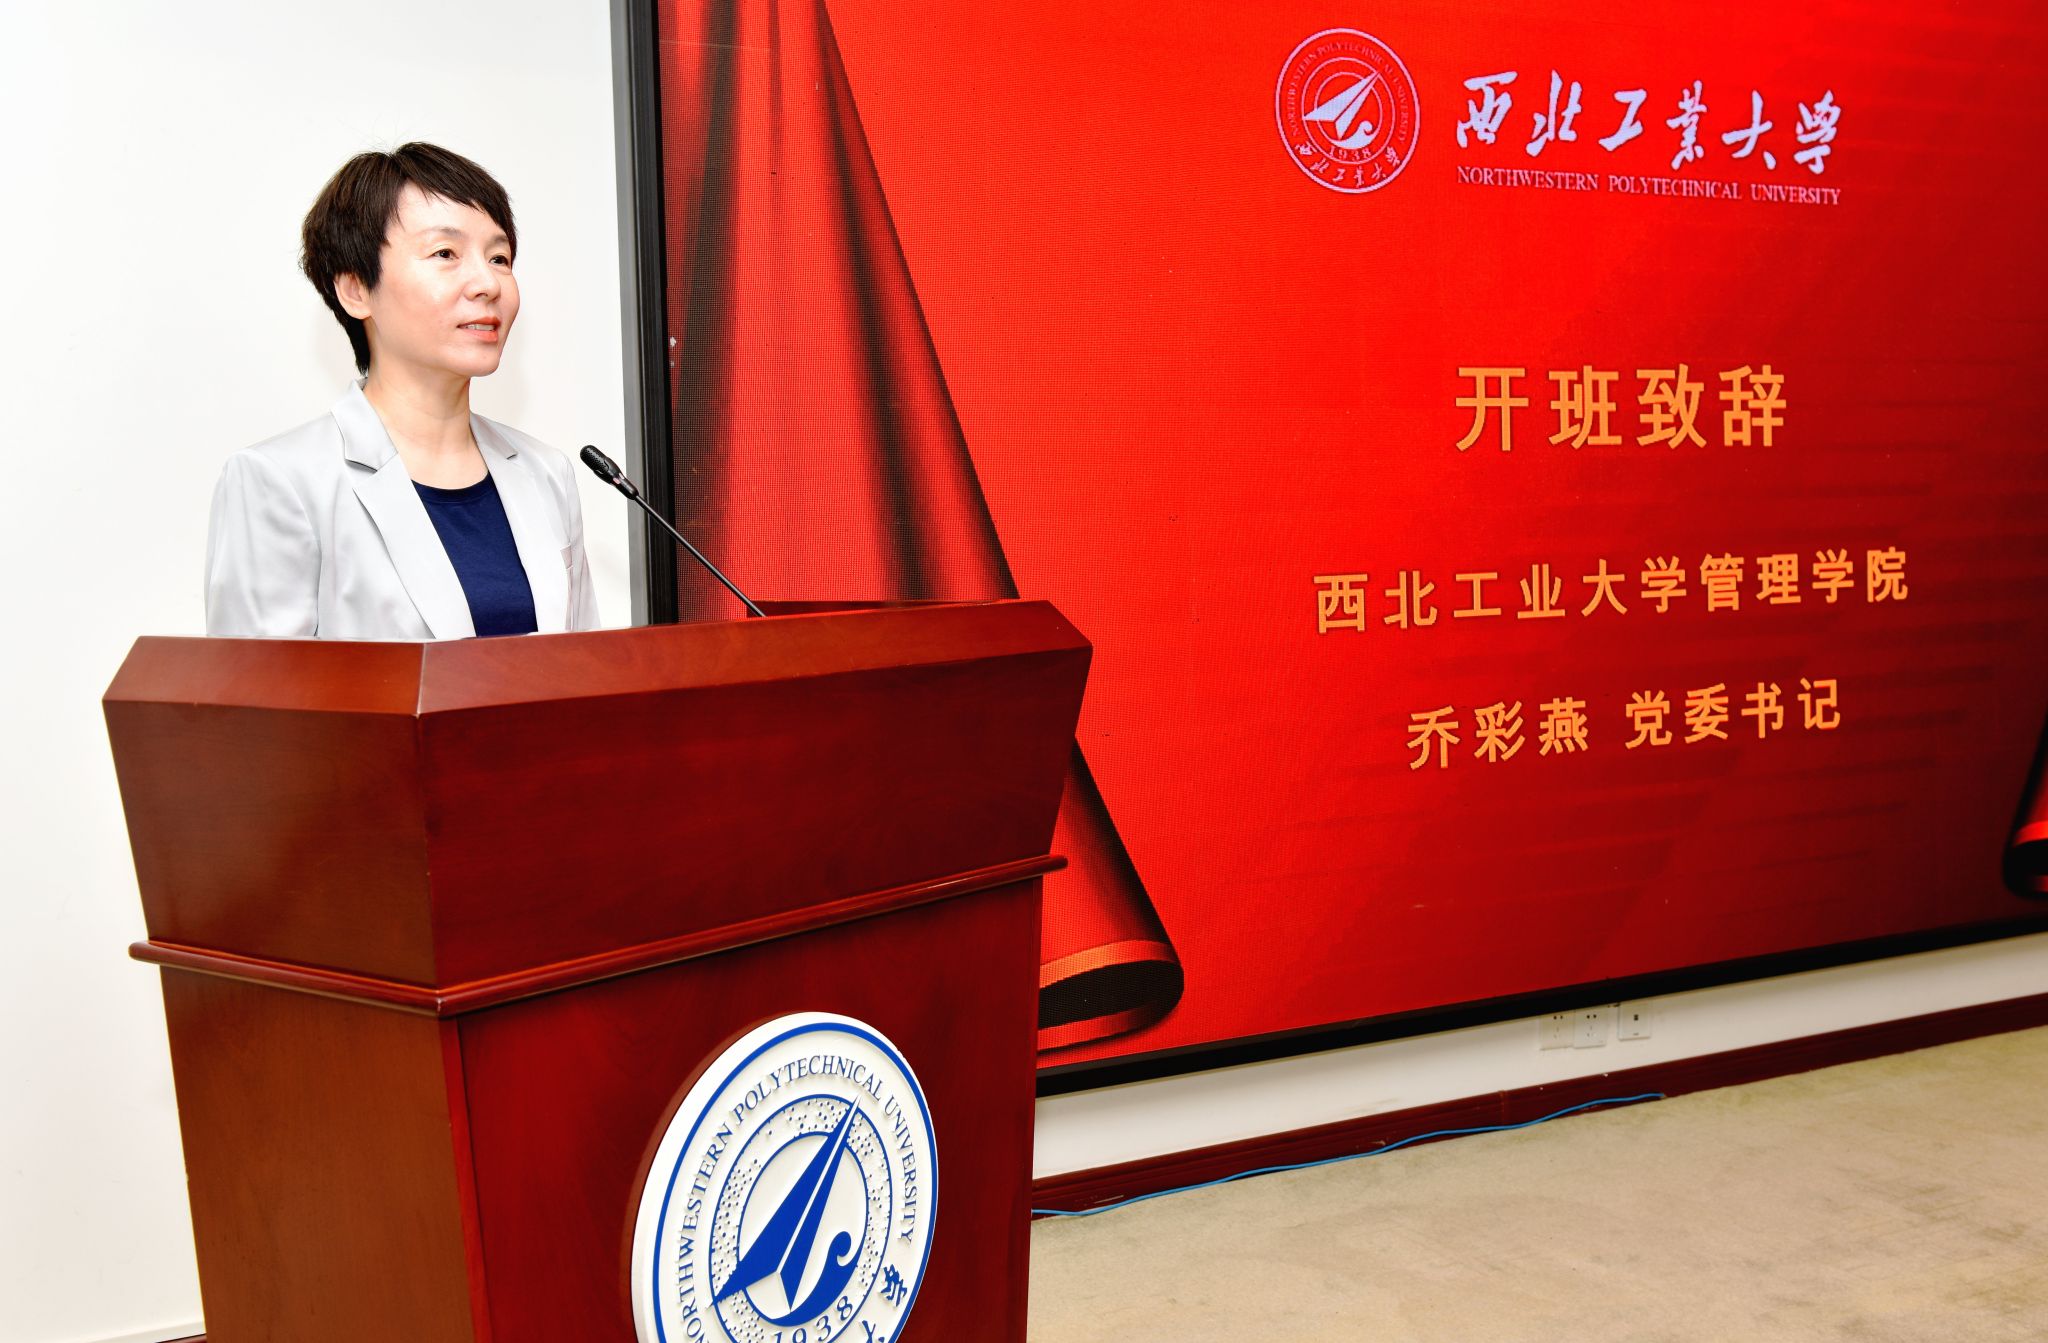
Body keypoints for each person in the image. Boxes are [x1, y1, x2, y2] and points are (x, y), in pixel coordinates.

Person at [205, 143, 600, 639]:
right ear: (356, 290)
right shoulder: (281, 482)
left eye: (499, 257)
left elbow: (586, 670)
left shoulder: (547, 473)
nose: (487, 283)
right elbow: (260, 687)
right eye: (445, 254)